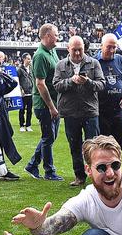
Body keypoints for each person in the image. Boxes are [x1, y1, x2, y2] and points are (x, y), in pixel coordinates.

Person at [53, 35, 104, 187]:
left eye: (80, 50)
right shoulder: (61, 65)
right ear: (68, 49)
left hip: (90, 112)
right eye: (74, 50)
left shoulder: (94, 63)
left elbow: (101, 85)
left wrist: (87, 82)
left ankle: (97, 176)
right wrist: (71, 81)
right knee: (74, 146)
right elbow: (56, 85)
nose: (77, 53)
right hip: (70, 113)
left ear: (84, 49)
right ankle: (79, 176)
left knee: (94, 147)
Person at [26, 23, 64, 181]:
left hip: (54, 102)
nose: (58, 37)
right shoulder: (41, 55)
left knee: (50, 136)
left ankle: (33, 165)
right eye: (56, 34)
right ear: (47, 36)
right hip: (45, 105)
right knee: (48, 137)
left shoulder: (52, 51)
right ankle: (49, 171)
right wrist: (51, 107)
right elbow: (40, 84)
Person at [0, 48, 23, 181]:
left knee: (5, 134)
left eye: (0, 57)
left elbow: (12, 84)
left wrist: (0, 74)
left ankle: (2, 169)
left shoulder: (1, 72)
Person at [95, 33, 122, 148]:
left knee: (121, 138)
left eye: (114, 47)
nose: (112, 50)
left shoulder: (120, 60)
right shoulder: (94, 62)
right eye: (108, 47)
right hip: (101, 111)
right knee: (103, 144)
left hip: (118, 109)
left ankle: (117, 164)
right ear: (101, 46)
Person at [17, 53, 34, 132]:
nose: (29, 60)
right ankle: (21, 125)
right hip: (23, 94)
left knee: (30, 111)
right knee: (22, 110)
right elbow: (17, 81)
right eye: (28, 58)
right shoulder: (20, 69)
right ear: (24, 59)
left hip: (31, 93)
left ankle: (28, 125)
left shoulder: (31, 68)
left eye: (30, 58)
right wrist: (20, 89)